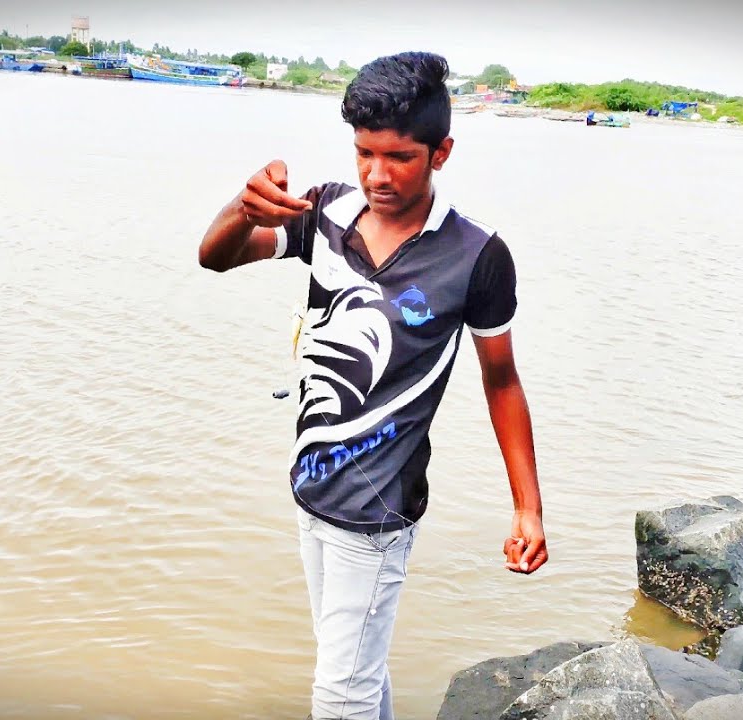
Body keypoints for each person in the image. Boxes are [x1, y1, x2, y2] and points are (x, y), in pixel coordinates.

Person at [197, 50, 546, 720]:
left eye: (399, 157)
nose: (377, 174)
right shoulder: (323, 213)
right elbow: (215, 258)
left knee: (340, 689)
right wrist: (244, 208)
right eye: (363, 152)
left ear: (441, 152)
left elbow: (501, 379)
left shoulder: (476, 256)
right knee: (352, 662)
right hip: (310, 485)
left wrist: (527, 507)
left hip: (379, 510)